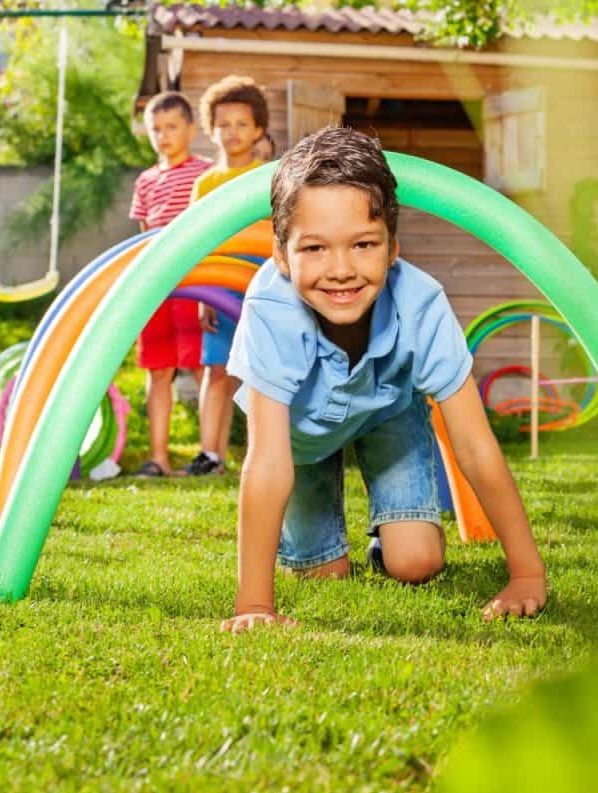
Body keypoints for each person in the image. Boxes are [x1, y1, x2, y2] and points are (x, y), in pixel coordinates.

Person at [220, 127, 548, 632]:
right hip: (299, 439)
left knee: (415, 564)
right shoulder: (271, 310)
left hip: (386, 413)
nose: (342, 270)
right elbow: (266, 462)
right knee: (324, 574)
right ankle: (317, 545)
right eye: (315, 249)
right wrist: (254, 605)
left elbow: (476, 448)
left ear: (393, 246)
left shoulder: (421, 303)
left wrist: (527, 574)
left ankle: (392, 536)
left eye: (363, 244)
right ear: (281, 255)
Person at [179, 76, 270, 477]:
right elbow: (198, 242)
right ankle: (210, 454)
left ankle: (262, 452)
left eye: (242, 124)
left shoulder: (267, 178)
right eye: (224, 124)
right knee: (216, 370)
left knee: (259, 373)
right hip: (219, 287)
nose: (232, 133)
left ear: (259, 130)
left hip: (260, 287)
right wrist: (204, 296)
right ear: (211, 130)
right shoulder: (206, 184)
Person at [129, 92, 212, 477]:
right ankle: (158, 457)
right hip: (157, 286)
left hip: (195, 284)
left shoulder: (206, 173)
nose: (163, 136)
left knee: (202, 366)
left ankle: (208, 455)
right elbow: (144, 236)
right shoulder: (145, 181)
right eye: (155, 130)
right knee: (159, 371)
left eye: (172, 127)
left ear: (191, 129)